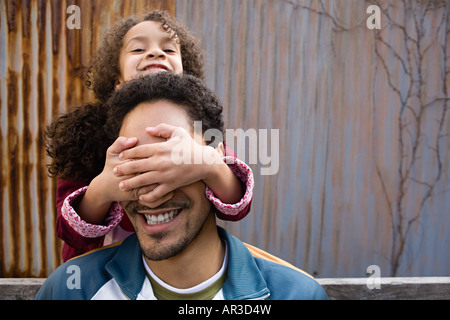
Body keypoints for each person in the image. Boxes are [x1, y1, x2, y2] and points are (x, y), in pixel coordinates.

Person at [36, 73, 328, 300]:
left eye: (174, 163)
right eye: (137, 165)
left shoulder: (297, 294)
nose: (153, 193)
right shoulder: (70, 290)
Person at [45, 10, 253, 262]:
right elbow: (70, 233)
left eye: (169, 49)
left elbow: (237, 208)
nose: (156, 53)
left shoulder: (199, 132)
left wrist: (209, 166)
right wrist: (103, 190)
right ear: (116, 81)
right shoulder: (85, 141)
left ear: (186, 76)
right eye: (138, 49)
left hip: (175, 270)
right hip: (101, 274)